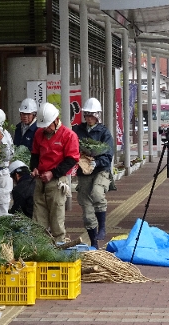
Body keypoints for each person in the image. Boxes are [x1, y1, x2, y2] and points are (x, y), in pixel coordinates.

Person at [30, 102, 80, 243]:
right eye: (44, 126)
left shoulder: (68, 135)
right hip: (40, 181)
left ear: (56, 120)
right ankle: (40, 246)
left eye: (48, 125)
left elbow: (71, 159)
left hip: (57, 181)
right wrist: (34, 168)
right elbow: (35, 154)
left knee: (57, 218)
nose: (46, 129)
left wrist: (53, 173)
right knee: (38, 219)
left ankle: (59, 244)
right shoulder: (39, 133)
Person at [72, 97, 113, 248]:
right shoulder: (77, 130)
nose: (89, 118)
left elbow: (108, 155)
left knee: (97, 193)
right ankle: (94, 242)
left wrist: (97, 162)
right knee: (87, 212)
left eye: (92, 115)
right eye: (87, 115)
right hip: (84, 172)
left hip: (101, 170)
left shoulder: (104, 132)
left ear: (97, 115)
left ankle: (102, 226)